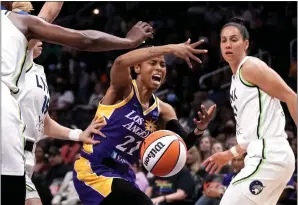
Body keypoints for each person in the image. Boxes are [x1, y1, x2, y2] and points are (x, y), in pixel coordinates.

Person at [1, 2, 152, 205]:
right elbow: (80, 36)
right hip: (10, 145)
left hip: (22, 155)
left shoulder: (34, 71)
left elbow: (44, 123)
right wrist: (128, 41)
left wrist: (77, 134)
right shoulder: (15, 26)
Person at [73, 39, 216, 205]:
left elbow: (181, 144)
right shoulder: (123, 89)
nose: (159, 68)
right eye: (153, 62)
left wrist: (199, 130)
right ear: (137, 67)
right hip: (94, 170)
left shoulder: (164, 110)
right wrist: (169, 47)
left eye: (163, 65)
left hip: (123, 176)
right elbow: (120, 62)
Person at [202, 17, 297, 205]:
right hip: (265, 155)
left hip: (270, 155)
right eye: (223, 40)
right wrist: (228, 155)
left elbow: (291, 96)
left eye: (234, 39)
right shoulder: (236, 81)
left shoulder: (250, 66)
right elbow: (250, 135)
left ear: (246, 44)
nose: (228, 44)